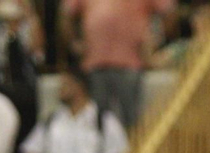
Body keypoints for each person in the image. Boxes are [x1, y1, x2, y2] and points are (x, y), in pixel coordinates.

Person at [20, 66, 129, 153]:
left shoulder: (105, 121)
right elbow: (31, 151)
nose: (60, 90)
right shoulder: (52, 121)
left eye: (65, 85)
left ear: (79, 86)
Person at [63, 0, 169, 128]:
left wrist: (155, 44)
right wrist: (74, 44)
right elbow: (65, 13)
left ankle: (134, 148)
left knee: (132, 121)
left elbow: (168, 10)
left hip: (130, 63)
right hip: (96, 64)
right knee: (97, 121)